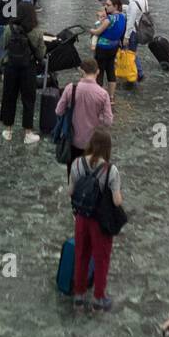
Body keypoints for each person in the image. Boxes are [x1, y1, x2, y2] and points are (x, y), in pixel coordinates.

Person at [68, 127, 123, 313]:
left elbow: (70, 191)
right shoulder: (111, 170)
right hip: (101, 221)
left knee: (81, 254)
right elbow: (116, 201)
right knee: (101, 258)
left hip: (81, 218)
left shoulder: (76, 163)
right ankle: (99, 297)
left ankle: (79, 294)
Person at [0, 2, 45, 144]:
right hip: (28, 68)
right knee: (28, 99)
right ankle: (28, 132)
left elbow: (4, 45)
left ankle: (8, 130)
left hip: (11, 67)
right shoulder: (36, 31)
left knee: (9, 97)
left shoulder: (9, 28)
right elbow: (41, 52)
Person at [90, 0, 128, 99]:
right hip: (114, 47)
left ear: (115, 6)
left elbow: (98, 31)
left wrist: (91, 30)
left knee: (100, 71)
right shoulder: (123, 17)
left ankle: (98, 96)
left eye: (108, 5)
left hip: (103, 48)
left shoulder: (109, 19)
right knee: (111, 70)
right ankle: (111, 96)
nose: (106, 7)